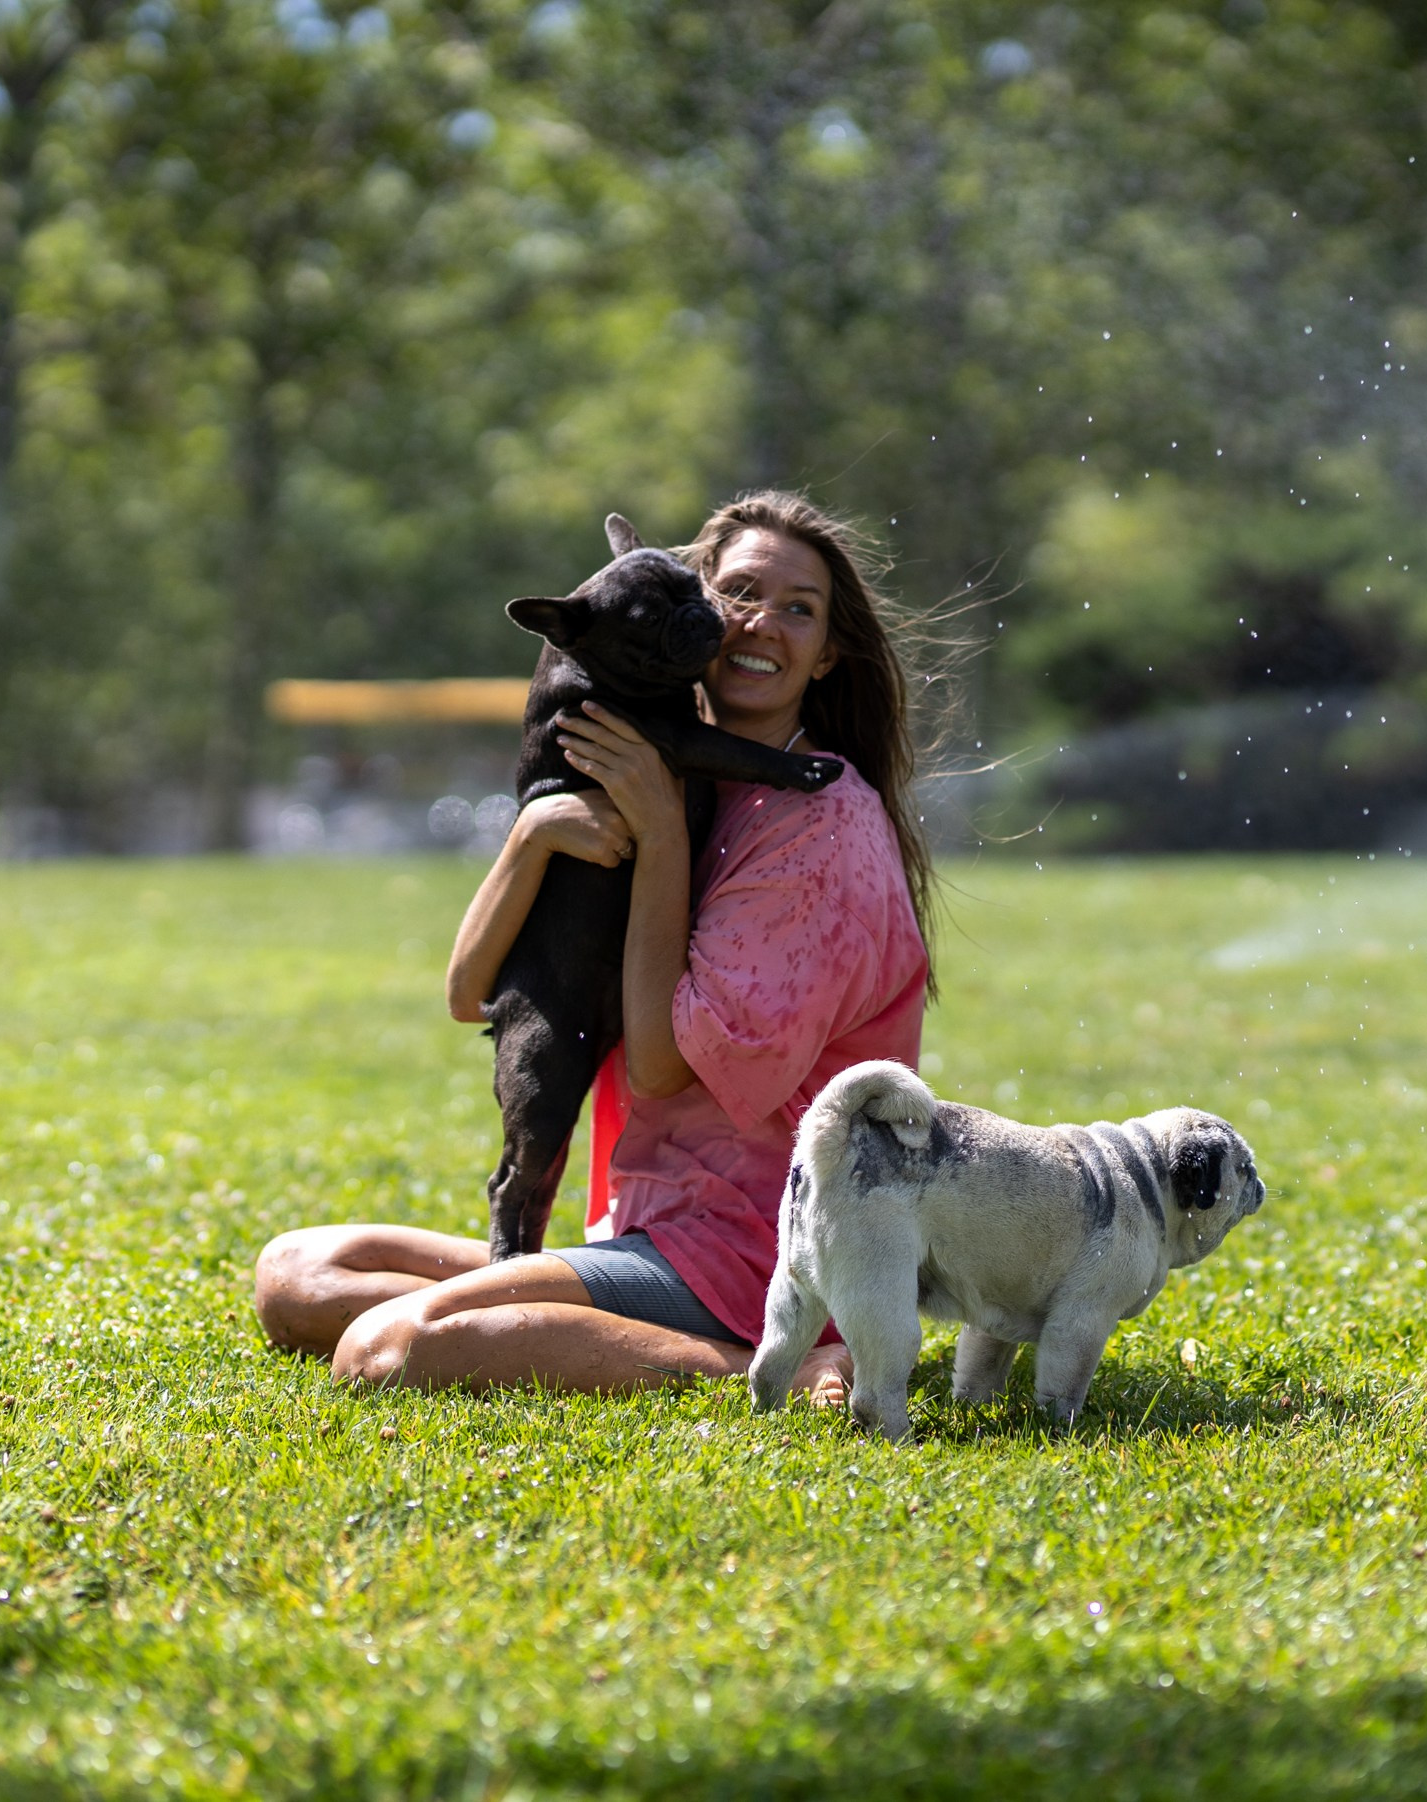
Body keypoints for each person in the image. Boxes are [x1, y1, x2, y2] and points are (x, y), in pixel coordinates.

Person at [251, 492, 935, 1404]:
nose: (759, 621)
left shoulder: (816, 828)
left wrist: (658, 834)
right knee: (298, 1272)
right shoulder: (683, 777)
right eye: (736, 592)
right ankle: (617, 1312)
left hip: (768, 1254)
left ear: (826, 654)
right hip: (652, 1225)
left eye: (798, 608)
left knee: (389, 1348)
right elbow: (470, 995)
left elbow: (656, 1071)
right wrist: (534, 831)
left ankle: (790, 1362)